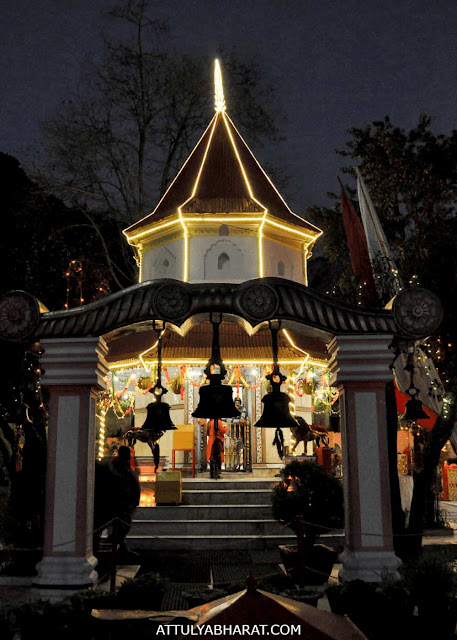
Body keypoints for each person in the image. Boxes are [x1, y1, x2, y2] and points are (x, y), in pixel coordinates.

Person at [108, 445, 141, 552]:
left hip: (127, 501)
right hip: (121, 502)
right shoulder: (118, 467)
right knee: (122, 526)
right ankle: (117, 547)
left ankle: (120, 546)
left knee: (124, 526)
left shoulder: (124, 467)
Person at [225, 397, 247, 470]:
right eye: (236, 402)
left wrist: (238, 420)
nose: (237, 404)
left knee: (237, 451)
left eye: (238, 402)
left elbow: (242, 418)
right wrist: (236, 421)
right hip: (229, 434)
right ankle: (228, 465)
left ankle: (236, 465)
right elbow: (224, 418)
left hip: (239, 434)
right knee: (229, 450)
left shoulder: (242, 409)